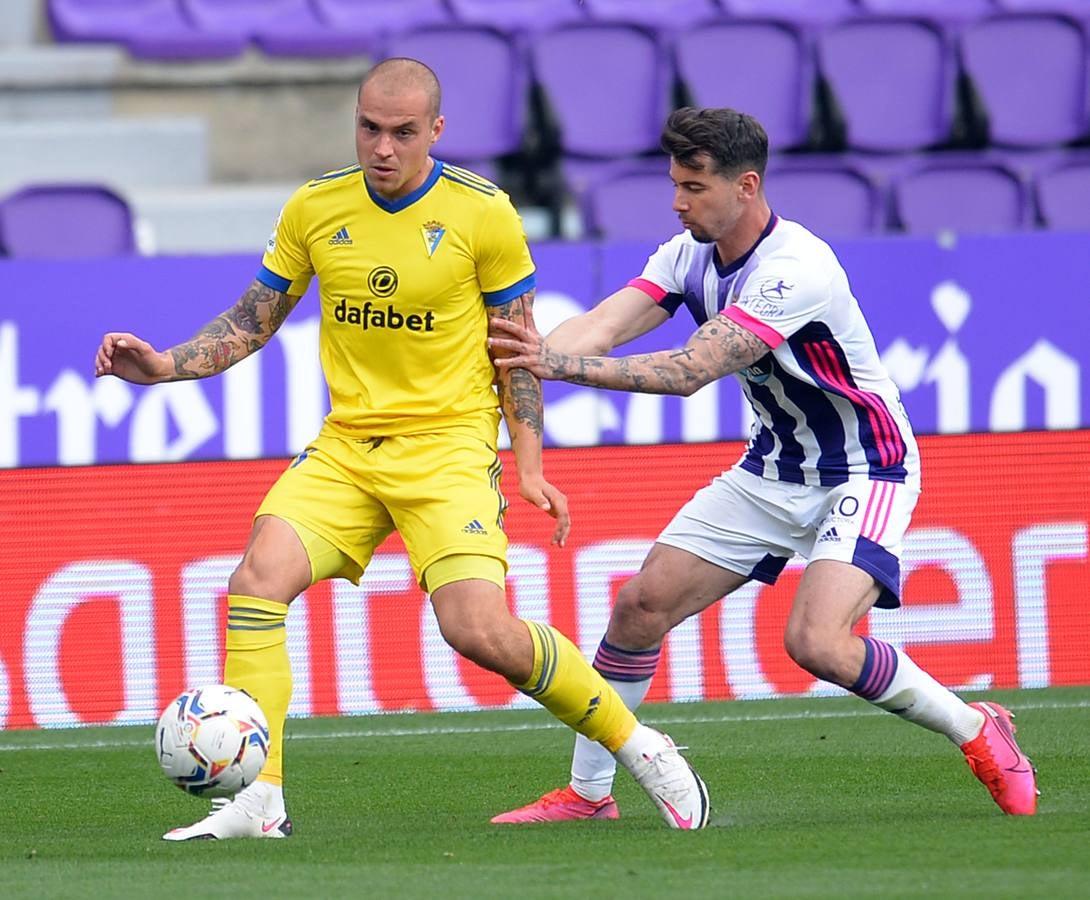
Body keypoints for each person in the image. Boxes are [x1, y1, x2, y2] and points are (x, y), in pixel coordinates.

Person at [94, 59, 709, 839]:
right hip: (347, 447)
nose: (382, 148)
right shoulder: (316, 207)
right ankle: (261, 800)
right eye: (370, 129)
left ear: (436, 132)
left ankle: (641, 746)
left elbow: (515, 351)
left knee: (479, 632)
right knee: (255, 581)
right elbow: (251, 321)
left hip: (448, 449)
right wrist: (163, 368)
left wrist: (527, 467)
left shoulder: (483, 214)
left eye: (403, 133)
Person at [487, 106, 1038, 824]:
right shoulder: (685, 254)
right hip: (772, 469)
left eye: (694, 187)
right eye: (675, 185)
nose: (678, 202)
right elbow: (604, 324)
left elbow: (690, 370)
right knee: (638, 606)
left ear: (746, 186)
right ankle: (591, 796)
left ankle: (976, 729)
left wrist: (557, 363)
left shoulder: (795, 268)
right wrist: (530, 361)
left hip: (864, 467)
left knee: (816, 643)